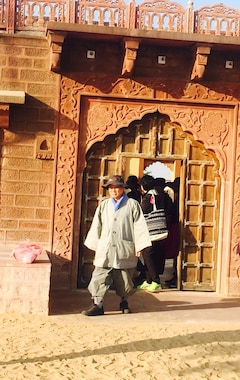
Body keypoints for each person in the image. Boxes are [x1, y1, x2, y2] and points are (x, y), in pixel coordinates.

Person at [82, 174, 152, 316]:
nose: (114, 191)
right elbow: (97, 226)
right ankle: (98, 304)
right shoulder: (104, 205)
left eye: (117, 188)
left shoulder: (132, 205)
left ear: (123, 189)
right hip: (106, 247)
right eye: (111, 188)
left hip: (124, 247)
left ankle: (124, 302)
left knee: (124, 278)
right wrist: (96, 245)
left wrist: (140, 245)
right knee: (99, 276)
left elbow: (139, 226)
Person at [137, 175, 168, 292]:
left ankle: (155, 281)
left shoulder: (149, 196)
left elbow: (142, 210)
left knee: (147, 255)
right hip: (159, 230)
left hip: (152, 231)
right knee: (149, 255)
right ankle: (149, 280)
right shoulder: (159, 194)